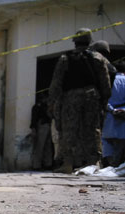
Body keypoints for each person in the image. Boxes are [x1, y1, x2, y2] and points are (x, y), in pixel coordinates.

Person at [48, 28, 111, 173]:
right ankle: (94, 163)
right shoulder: (98, 58)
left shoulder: (66, 58)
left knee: (69, 129)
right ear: (90, 41)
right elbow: (105, 83)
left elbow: (56, 83)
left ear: (75, 41)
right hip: (91, 96)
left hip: (71, 98)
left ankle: (68, 164)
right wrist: (104, 101)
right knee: (92, 129)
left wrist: (52, 103)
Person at [102, 62, 125, 167]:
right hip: (122, 117)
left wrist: (111, 110)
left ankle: (110, 165)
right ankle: (115, 165)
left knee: (106, 142)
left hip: (108, 115)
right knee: (120, 143)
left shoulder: (108, 80)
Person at [30, 93, 53, 170]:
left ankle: (48, 164)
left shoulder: (46, 106)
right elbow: (34, 119)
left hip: (48, 125)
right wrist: (33, 129)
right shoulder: (37, 107)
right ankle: (37, 165)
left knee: (48, 146)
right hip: (41, 126)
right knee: (40, 146)